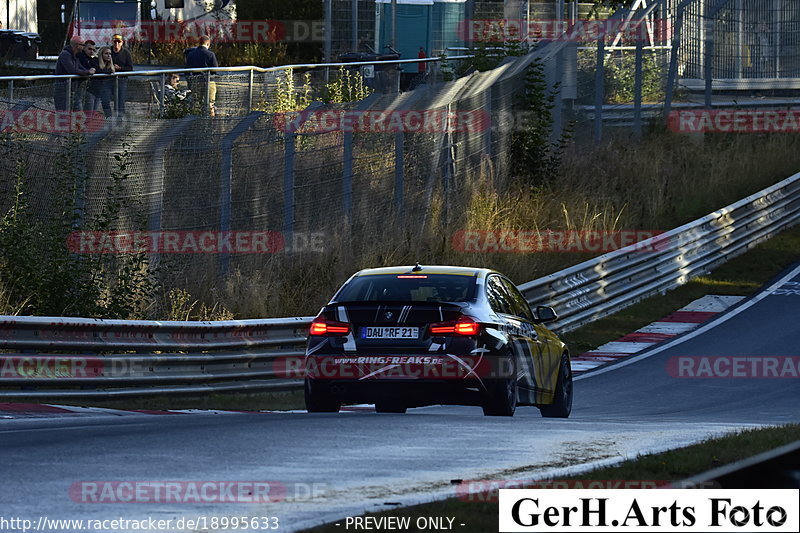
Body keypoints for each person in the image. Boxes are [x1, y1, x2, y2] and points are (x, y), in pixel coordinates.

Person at [54, 36, 95, 111]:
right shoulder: (65, 55)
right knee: (63, 114)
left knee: (77, 113)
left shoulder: (76, 56)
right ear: (77, 46)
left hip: (72, 89)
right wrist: (88, 72)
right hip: (62, 90)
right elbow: (72, 70)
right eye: (83, 45)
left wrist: (89, 70)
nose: (84, 47)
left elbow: (81, 68)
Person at [185, 35, 219, 116]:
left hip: (196, 82)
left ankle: (195, 123)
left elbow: (186, 70)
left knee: (196, 105)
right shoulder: (211, 54)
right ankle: (211, 123)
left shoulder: (191, 54)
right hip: (209, 82)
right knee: (210, 105)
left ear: (199, 43)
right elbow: (215, 70)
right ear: (208, 44)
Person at [86, 46, 115, 118]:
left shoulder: (108, 65)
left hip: (100, 92)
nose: (109, 55)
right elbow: (98, 71)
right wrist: (108, 72)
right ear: (101, 54)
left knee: (93, 113)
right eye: (106, 53)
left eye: (110, 54)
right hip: (91, 91)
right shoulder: (95, 61)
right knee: (89, 113)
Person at [110, 34, 133, 116]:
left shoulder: (126, 53)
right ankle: (108, 117)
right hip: (108, 79)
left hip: (121, 80)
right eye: (115, 42)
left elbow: (130, 68)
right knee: (105, 100)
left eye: (118, 42)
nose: (116, 44)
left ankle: (120, 119)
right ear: (112, 42)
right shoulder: (108, 51)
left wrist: (120, 68)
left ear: (122, 43)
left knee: (120, 100)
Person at [73, 40, 96, 111]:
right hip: (77, 84)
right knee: (78, 102)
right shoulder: (80, 56)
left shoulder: (92, 59)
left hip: (87, 85)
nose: (91, 51)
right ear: (84, 48)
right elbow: (88, 67)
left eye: (93, 50)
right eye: (89, 49)